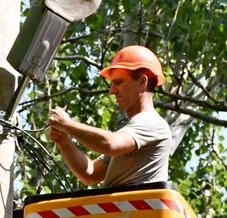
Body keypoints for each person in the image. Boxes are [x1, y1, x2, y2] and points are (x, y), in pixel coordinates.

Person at [47, 44, 171, 188]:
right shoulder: (130, 131)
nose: (112, 91)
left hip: (135, 209)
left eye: (118, 82)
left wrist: (66, 124)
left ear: (143, 81)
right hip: (126, 209)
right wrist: (63, 141)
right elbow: (91, 174)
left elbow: (110, 144)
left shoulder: (152, 123)